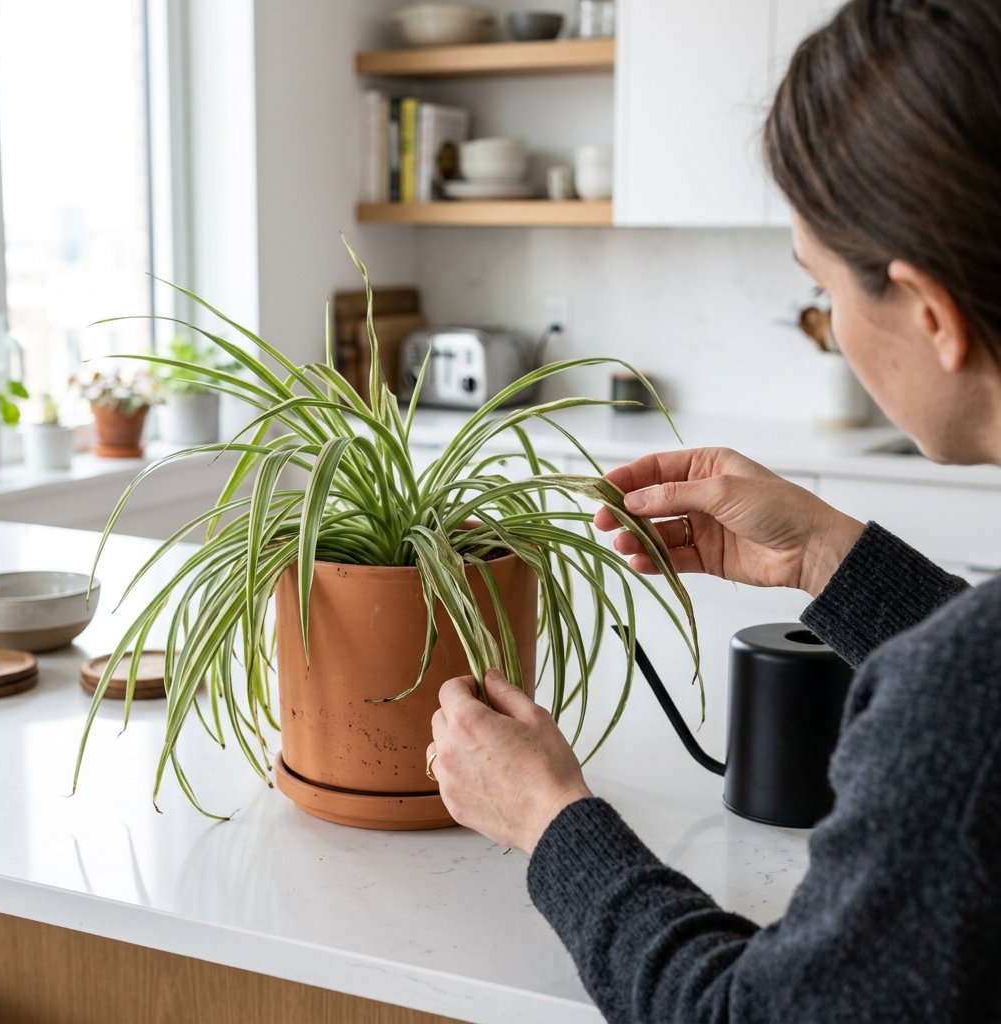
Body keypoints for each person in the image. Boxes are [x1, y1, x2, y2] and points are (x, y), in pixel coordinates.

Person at [425, 0, 1001, 1020]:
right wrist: (826, 556)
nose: (835, 334)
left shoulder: (953, 708)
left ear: (926, 311)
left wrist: (550, 818)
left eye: (821, 296)